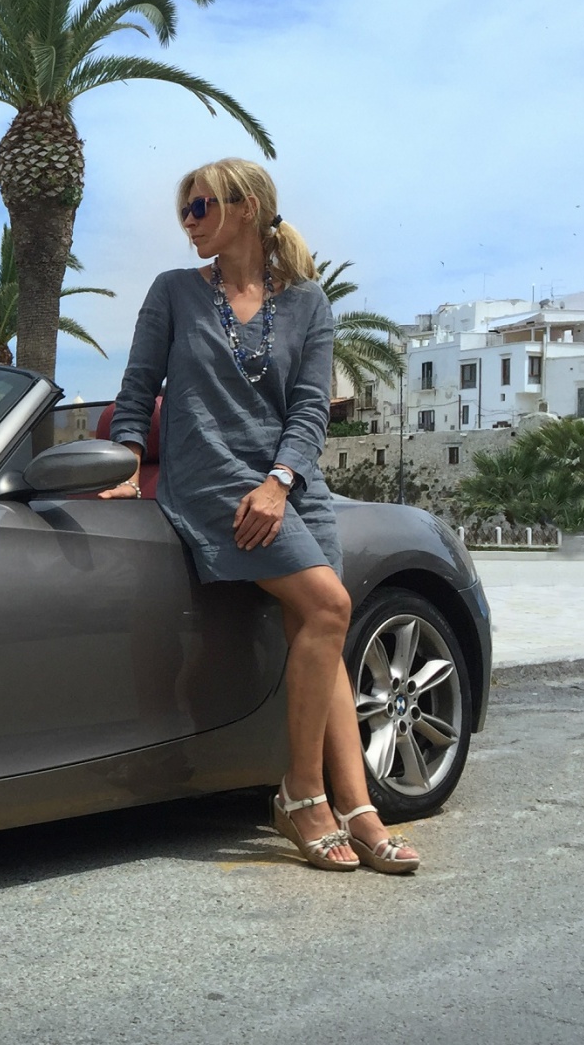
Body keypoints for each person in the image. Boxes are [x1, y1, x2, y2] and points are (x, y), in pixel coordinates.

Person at [100, 157, 419, 874]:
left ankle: (358, 808)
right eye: (185, 211)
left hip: (289, 484)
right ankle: (303, 794)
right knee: (331, 604)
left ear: (244, 208)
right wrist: (123, 464)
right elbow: (137, 388)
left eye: (200, 208)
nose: (189, 223)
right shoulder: (175, 292)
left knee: (321, 623)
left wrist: (280, 481)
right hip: (212, 479)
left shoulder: (308, 303)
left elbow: (310, 408)